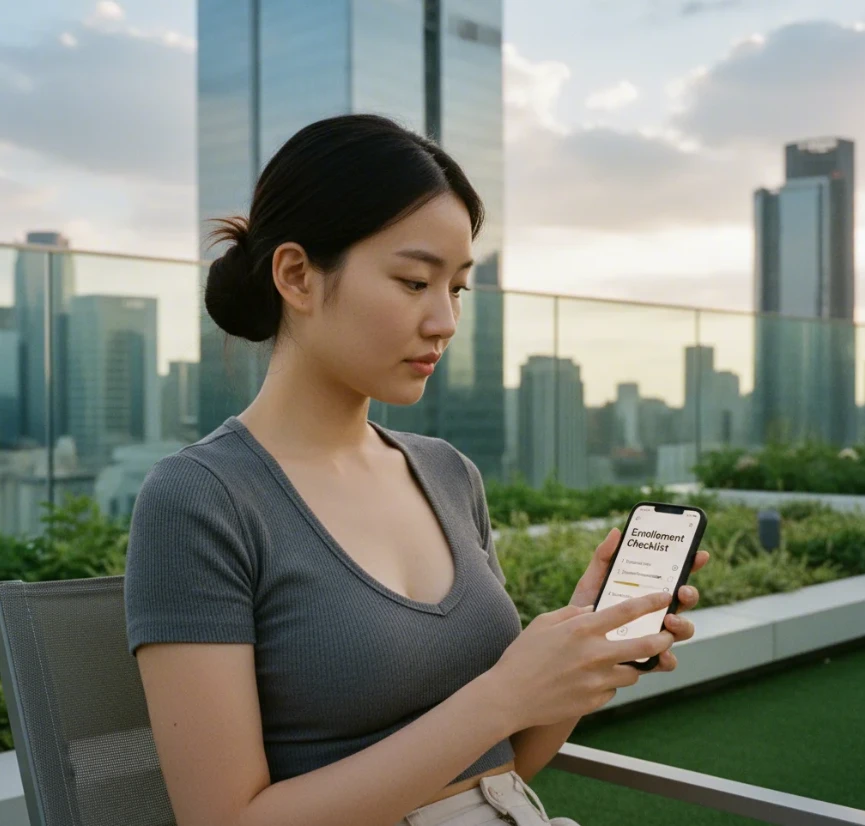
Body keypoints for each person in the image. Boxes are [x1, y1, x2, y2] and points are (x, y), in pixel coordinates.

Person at [123, 113, 708, 826]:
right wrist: (503, 695)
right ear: (297, 276)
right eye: (413, 282)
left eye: (456, 288)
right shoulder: (200, 499)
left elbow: (500, 766)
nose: (444, 322)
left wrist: (576, 656)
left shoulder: (447, 473)